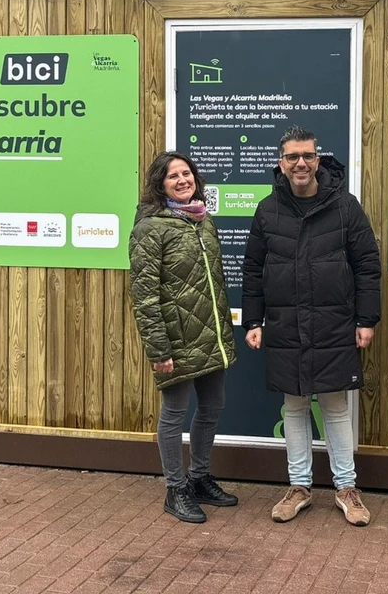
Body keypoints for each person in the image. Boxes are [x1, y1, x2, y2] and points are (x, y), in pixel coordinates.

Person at [242, 126, 382, 527]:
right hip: (286, 323)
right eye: (292, 157)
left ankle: (346, 489)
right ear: (281, 163)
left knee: (336, 407)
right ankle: (299, 486)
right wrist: (253, 319)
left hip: (335, 323)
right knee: (295, 405)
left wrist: (366, 319)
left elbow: (367, 265)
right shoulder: (268, 210)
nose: (300, 163)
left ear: (318, 160)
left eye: (307, 156)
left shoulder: (345, 206)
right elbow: (252, 269)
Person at [128, 151, 239, 524]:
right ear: (160, 184)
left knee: (212, 407)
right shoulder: (150, 228)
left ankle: (200, 478)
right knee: (174, 414)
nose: (182, 180)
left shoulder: (203, 222)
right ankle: (175, 489)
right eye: (172, 175)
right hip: (175, 340)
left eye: (186, 173)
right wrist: (158, 348)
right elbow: (144, 295)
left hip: (209, 336)